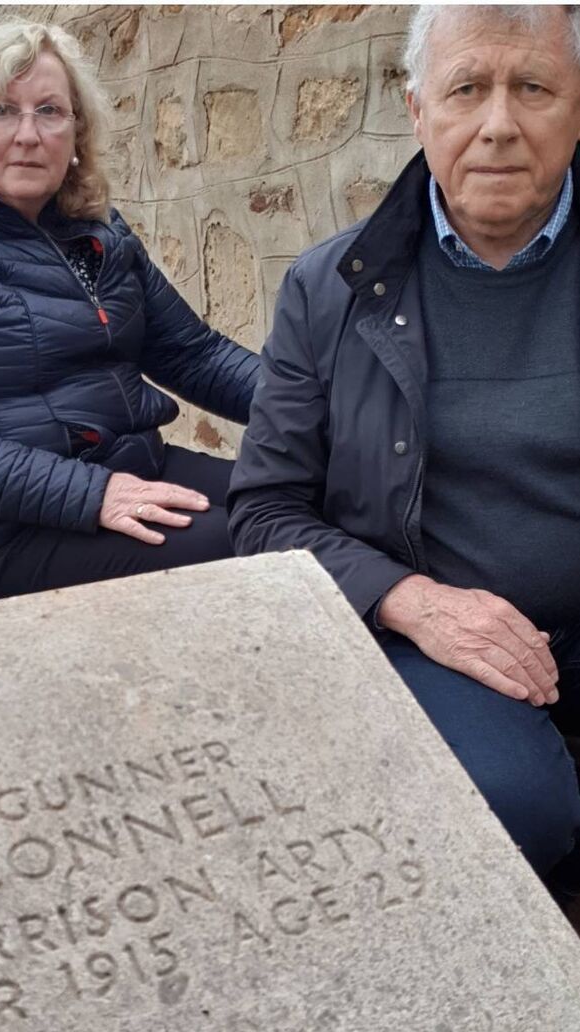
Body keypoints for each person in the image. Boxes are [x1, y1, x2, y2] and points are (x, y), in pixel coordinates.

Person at [228, 3, 580, 892]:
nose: (498, 124)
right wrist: (411, 601)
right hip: (440, 643)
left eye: (531, 87)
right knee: (509, 804)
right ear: (420, 112)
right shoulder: (329, 288)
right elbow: (264, 511)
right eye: (467, 89)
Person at [0, 21, 260, 603]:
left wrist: (319, 408)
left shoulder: (100, 228)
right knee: (272, 542)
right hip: (4, 533)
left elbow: (190, 353)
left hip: (139, 468)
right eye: (0, 110)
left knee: (311, 498)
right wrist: (94, 495)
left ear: (77, 131)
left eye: (50, 111)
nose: (28, 133)